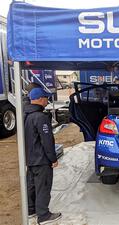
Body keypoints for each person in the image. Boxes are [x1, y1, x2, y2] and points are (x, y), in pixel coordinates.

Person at [24, 87, 62, 224]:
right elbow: (46, 140)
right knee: (43, 186)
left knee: (32, 185)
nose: (47, 100)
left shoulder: (25, 115)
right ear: (40, 99)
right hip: (41, 159)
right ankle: (44, 215)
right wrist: (53, 158)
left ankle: (31, 210)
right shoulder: (40, 117)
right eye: (46, 98)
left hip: (30, 158)